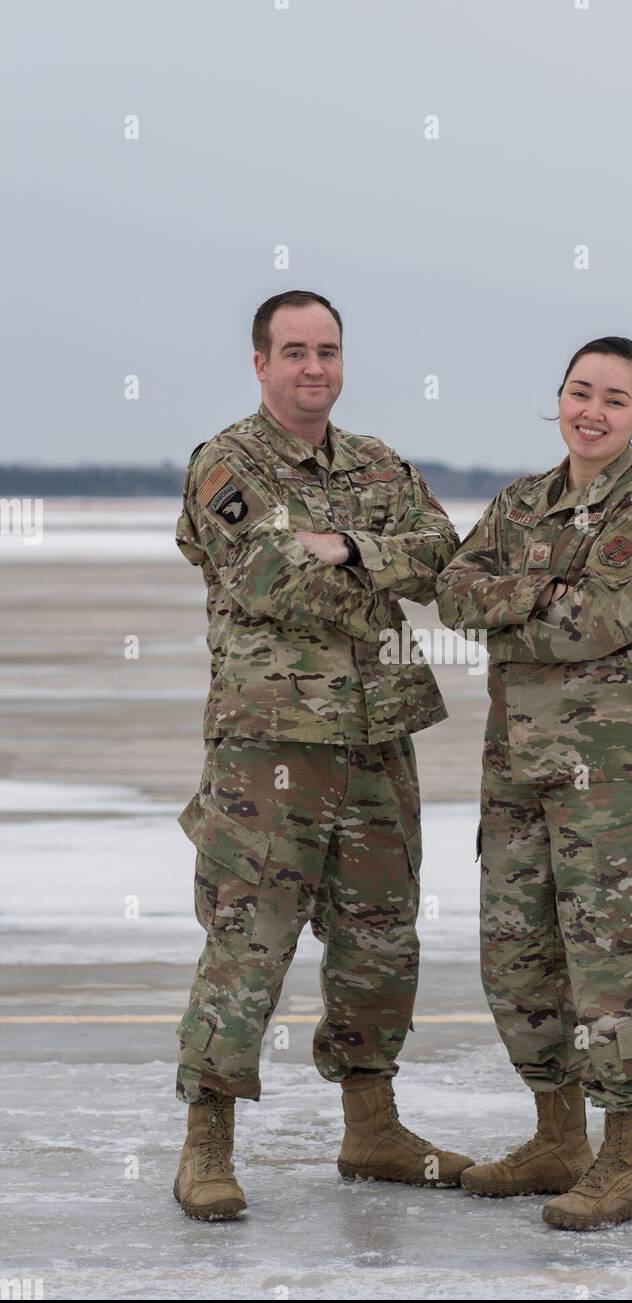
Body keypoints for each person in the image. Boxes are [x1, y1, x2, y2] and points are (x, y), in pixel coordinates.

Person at [173, 290, 473, 1220]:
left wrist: (344, 546)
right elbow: (267, 577)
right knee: (248, 939)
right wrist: (371, 571)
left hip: (377, 739)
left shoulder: (377, 461)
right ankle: (207, 1144)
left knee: (381, 940)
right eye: (295, 351)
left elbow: (445, 561)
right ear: (259, 363)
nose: (314, 368)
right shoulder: (227, 462)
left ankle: (371, 1126)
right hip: (272, 747)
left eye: (328, 350)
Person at [435, 336, 632, 1230]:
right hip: (519, 778)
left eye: (613, 399)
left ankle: (625, 1164)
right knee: (519, 966)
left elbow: (591, 625)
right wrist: (540, 591)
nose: (591, 411)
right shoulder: (522, 501)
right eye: (579, 391)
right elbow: (451, 590)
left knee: (615, 973)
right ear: (558, 397)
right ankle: (558, 1139)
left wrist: (512, 604)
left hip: (617, 792)